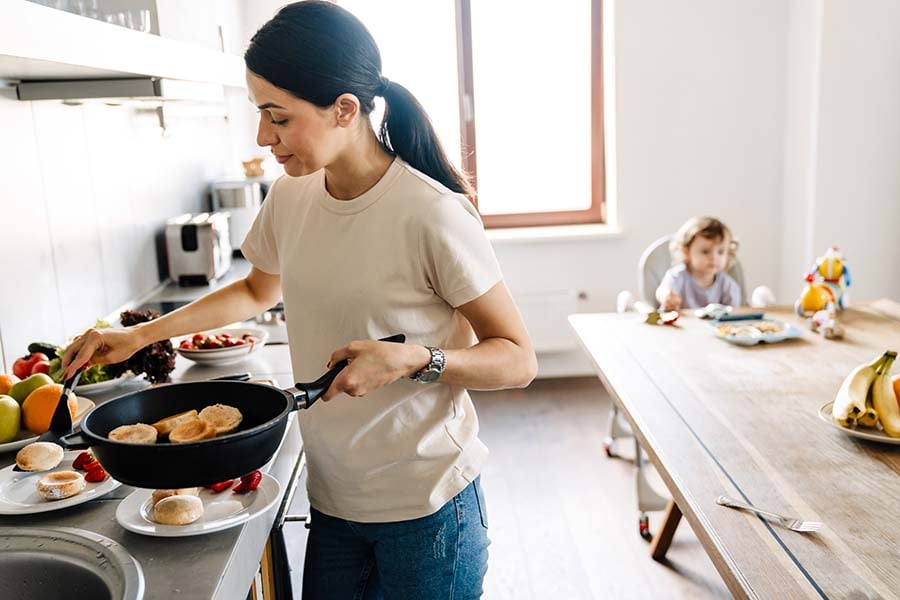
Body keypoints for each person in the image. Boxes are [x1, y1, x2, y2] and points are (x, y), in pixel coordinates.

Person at [61, 2, 537, 598]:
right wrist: (142, 335)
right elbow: (258, 289)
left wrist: (418, 360)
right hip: (335, 503)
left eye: (277, 117)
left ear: (343, 109)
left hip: (429, 510)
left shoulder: (431, 213)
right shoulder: (293, 195)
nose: (263, 137)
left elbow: (518, 360)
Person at [655, 216, 741, 311]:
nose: (714, 257)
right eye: (705, 251)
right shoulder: (677, 276)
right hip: (683, 324)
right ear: (686, 251)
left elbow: (733, 315)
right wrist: (666, 296)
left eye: (720, 252)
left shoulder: (727, 285)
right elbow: (662, 290)